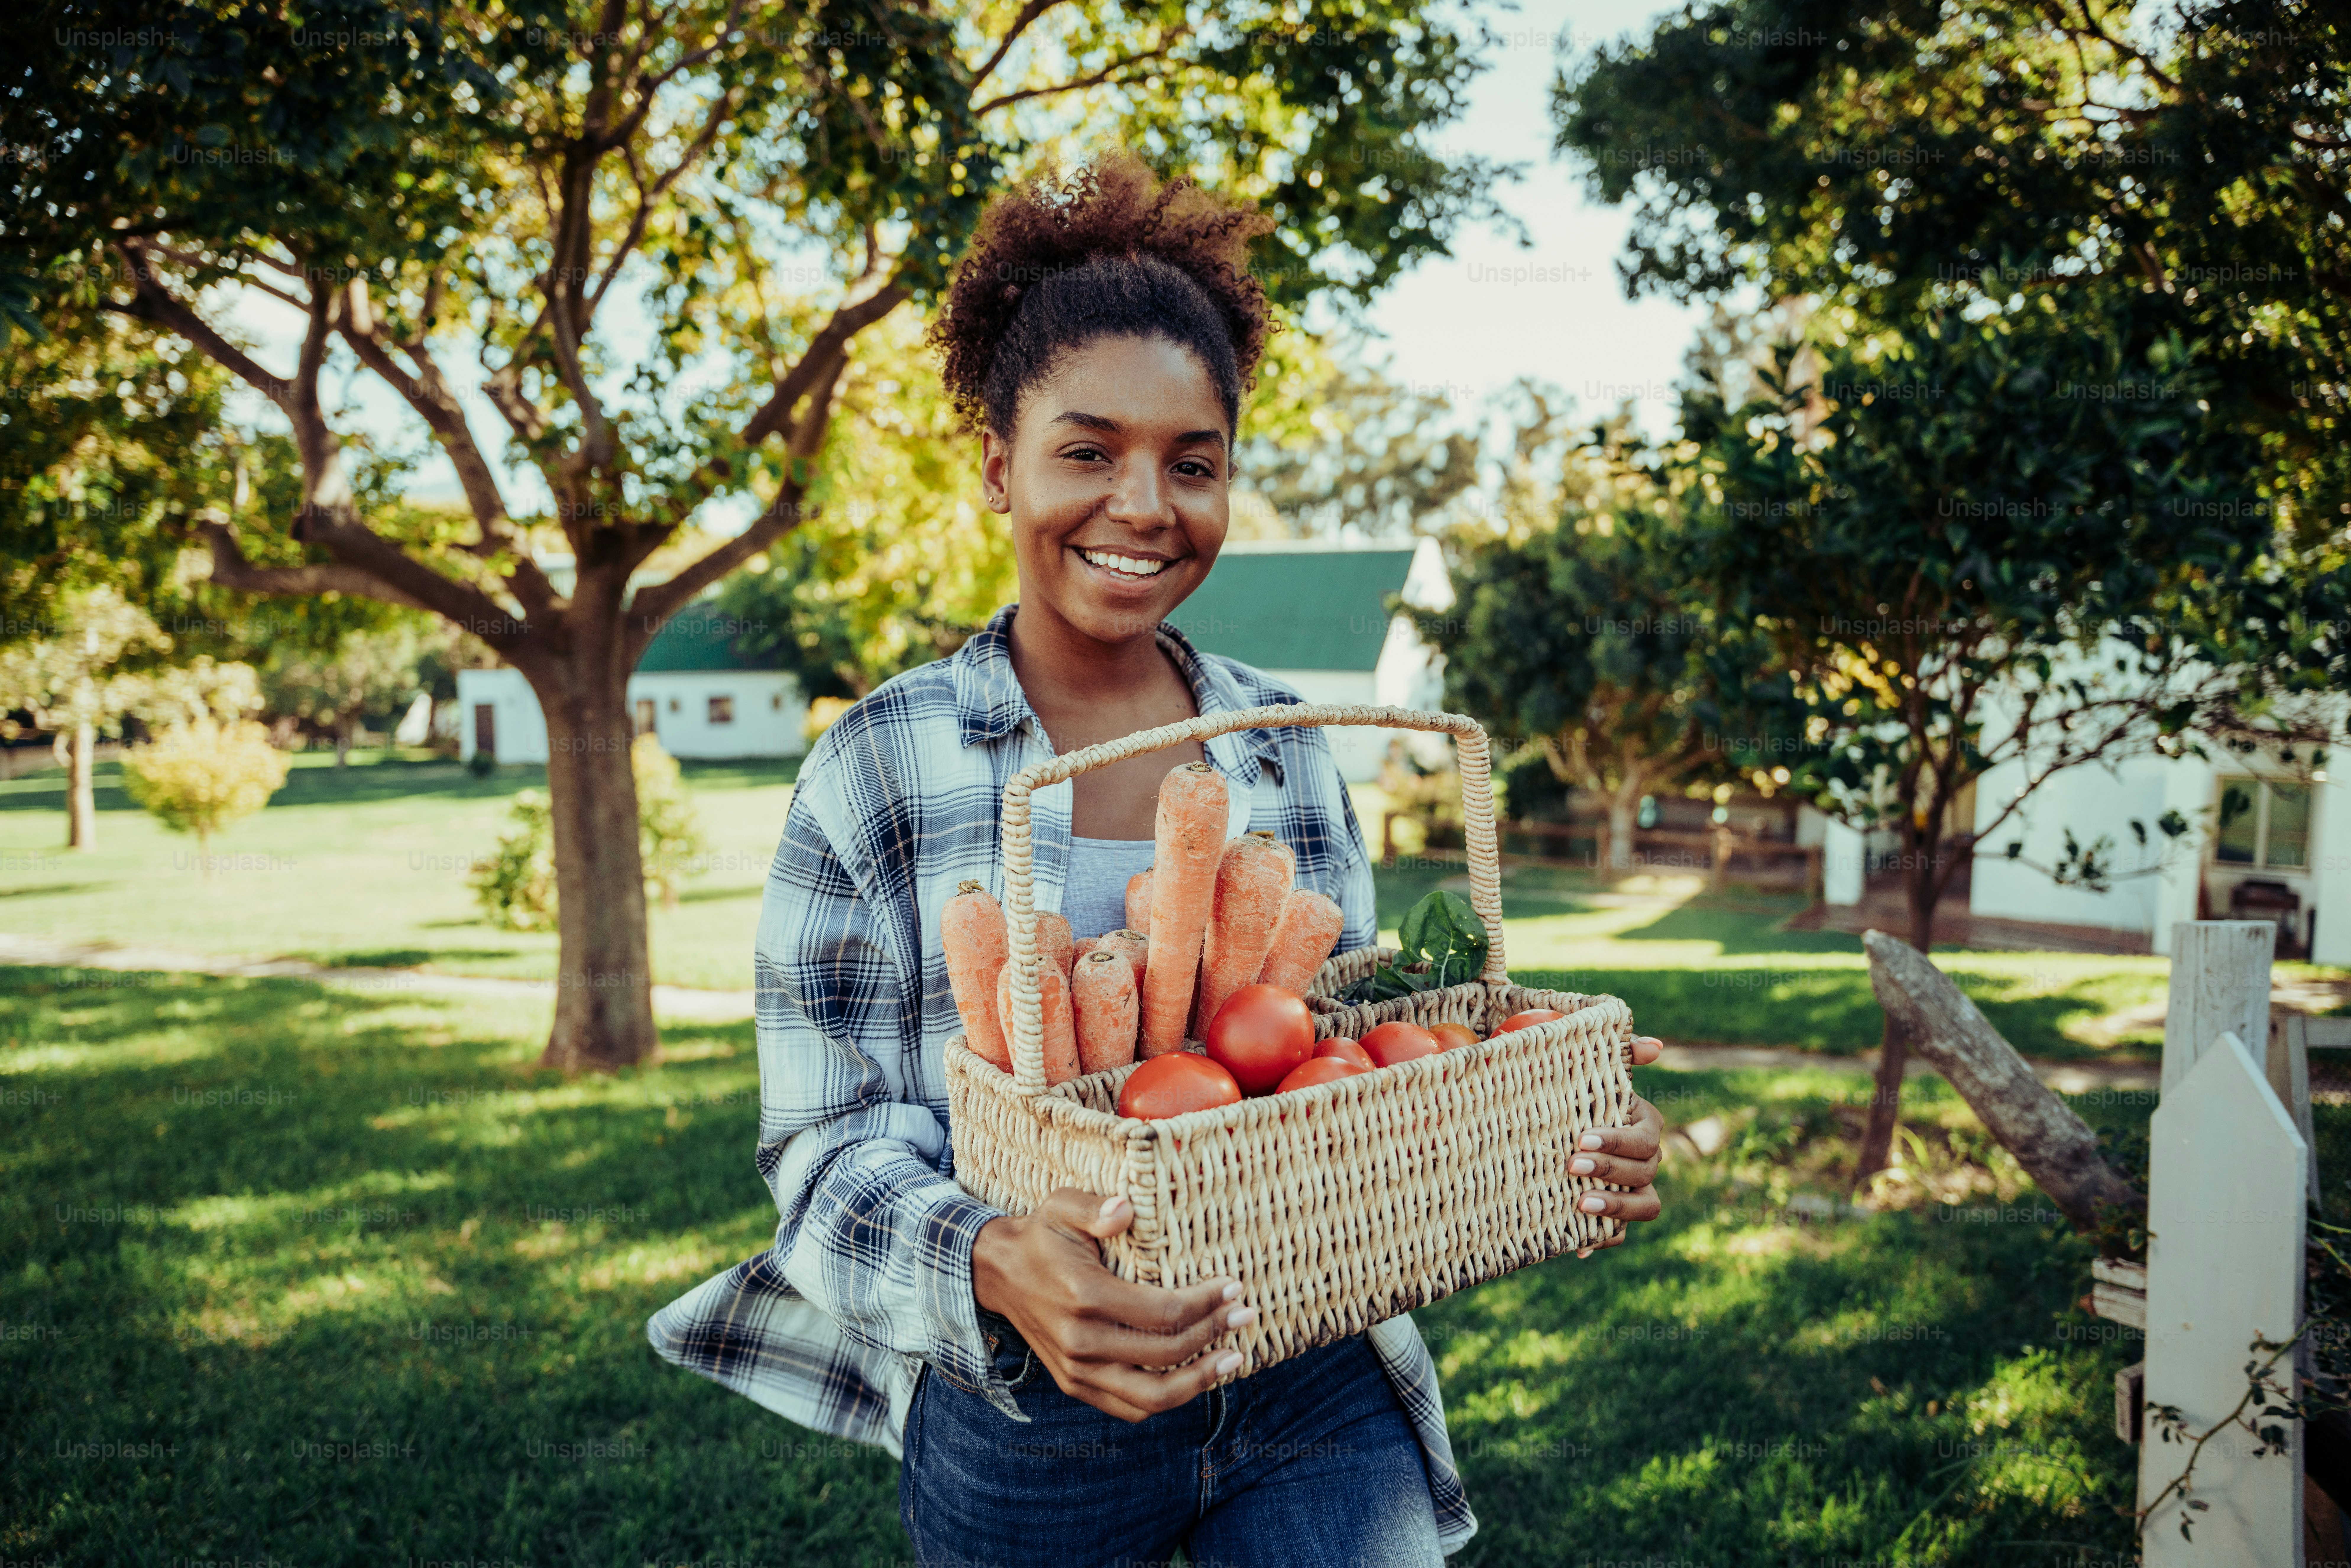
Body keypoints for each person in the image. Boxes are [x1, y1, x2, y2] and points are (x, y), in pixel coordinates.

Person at [649, 153, 1666, 1567]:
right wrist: (994, 1261)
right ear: (997, 464)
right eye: (1087, 451)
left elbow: (1354, 1045)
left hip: (1313, 1370)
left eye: (1192, 464)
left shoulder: (1284, 744)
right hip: (1028, 1414)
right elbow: (821, 1149)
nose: (1144, 506)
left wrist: (1541, 1124)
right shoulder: (878, 765)